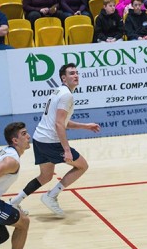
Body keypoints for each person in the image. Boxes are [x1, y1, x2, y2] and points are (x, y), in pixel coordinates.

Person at [10, 64, 100, 217]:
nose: (76, 75)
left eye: (77, 73)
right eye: (71, 73)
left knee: (45, 176)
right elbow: (59, 124)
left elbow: (60, 121)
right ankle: (51, 196)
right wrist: (66, 150)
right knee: (82, 166)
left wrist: (85, 126)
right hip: (50, 141)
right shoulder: (66, 95)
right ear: (63, 78)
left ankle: (14, 202)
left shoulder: (59, 91)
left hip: (40, 138)